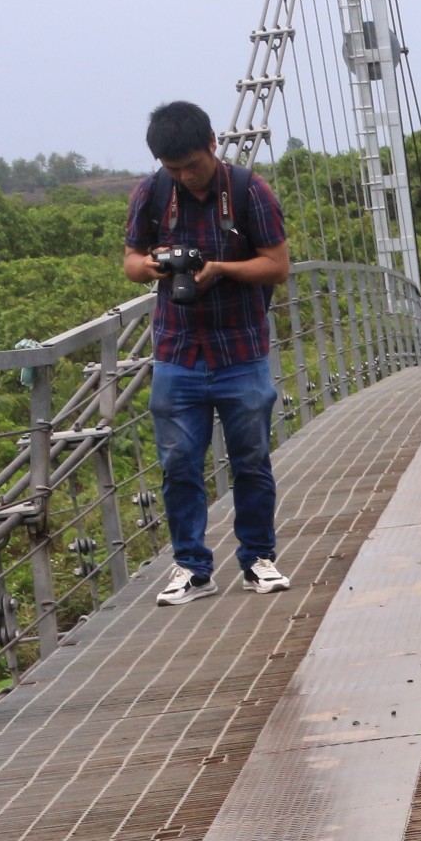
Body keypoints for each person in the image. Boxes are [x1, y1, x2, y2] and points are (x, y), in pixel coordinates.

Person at [122, 101, 295, 604]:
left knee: (251, 460)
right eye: (173, 168)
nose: (185, 177)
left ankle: (258, 559)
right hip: (176, 351)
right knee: (178, 465)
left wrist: (220, 268)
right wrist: (152, 265)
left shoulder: (249, 191)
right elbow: (131, 260)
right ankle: (192, 568)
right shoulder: (151, 192)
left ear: (213, 145)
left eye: (192, 165)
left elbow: (277, 266)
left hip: (240, 349)